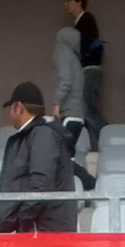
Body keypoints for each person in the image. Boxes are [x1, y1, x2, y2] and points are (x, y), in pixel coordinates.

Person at [0, 82, 76, 233]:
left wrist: (22, 222)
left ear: (19, 107)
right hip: (39, 229)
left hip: (42, 231)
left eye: (12, 108)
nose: (10, 114)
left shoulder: (42, 135)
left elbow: (41, 183)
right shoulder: (38, 134)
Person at [63, 0, 105, 150]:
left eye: (69, 0)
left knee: (87, 109)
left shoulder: (86, 20)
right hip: (85, 71)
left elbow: (86, 47)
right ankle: (102, 140)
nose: (66, 4)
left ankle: (107, 138)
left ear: (79, 2)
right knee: (85, 109)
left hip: (89, 70)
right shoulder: (81, 22)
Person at [50, 26, 87, 159]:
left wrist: (56, 103)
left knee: (62, 158)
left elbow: (65, 81)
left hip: (69, 114)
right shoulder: (75, 59)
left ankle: (82, 175)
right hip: (77, 114)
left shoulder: (64, 54)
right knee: (68, 157)